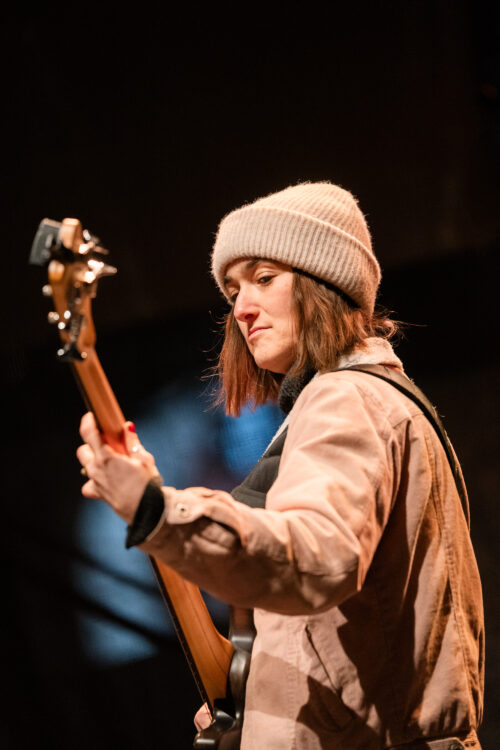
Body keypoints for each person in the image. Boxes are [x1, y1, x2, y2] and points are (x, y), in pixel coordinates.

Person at [76, 182, 484, 749]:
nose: (241, 308)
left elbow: (315, 560)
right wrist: (262, 695)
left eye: (264, 278)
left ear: (325, 282)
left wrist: (156, 509)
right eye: (233, 290)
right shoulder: (359, 399)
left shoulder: (346, 399)